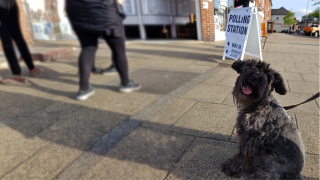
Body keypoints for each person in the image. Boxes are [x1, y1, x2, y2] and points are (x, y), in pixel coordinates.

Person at [66, 0, 141, 100]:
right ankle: (126, 83)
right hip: (104, 10)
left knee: (87, 47)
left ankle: (83, 89)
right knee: (118, 50)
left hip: (77, 10)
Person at [0, 0, 42, 85]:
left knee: (13, 38)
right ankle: (24, 72)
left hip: (9, 6)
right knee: (11, 39)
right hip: (7, 6)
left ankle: (25, 70)